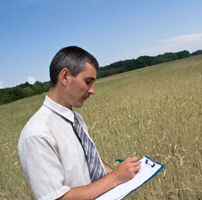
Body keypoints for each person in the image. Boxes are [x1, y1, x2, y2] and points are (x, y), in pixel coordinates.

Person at [18, 46, 141, 200]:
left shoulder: (76, 119)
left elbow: (88, 159)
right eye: (88, 82)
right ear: (65, 77)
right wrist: (114, 178)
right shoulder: (37, 134)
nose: (92, 91)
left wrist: (118, 172)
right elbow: (57, 198)